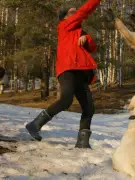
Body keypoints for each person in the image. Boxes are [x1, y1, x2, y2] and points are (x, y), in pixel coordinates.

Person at [26, 0, 102, 148]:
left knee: (89, 108)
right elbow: (83, 12)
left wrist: (87, 38)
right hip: (67, 69)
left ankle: (82, 143)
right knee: (66, 100)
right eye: (72, 12)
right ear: (65, 17)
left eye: (76, 11)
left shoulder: (80, 32)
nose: (76, 13)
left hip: (81, 72)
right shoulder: (64, 26)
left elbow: (93, 48)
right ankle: (35, 124)